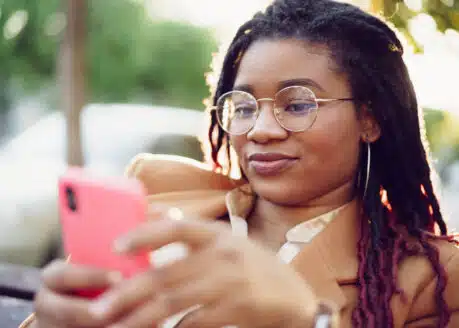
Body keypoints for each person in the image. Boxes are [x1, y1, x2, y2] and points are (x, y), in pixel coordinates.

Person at [20, 0, 459, 327]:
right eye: (244, 106)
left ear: (369, 119)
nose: (261, 129)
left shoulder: (432, 278)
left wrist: (304, 320)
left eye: (297, 103)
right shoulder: (156, 195)